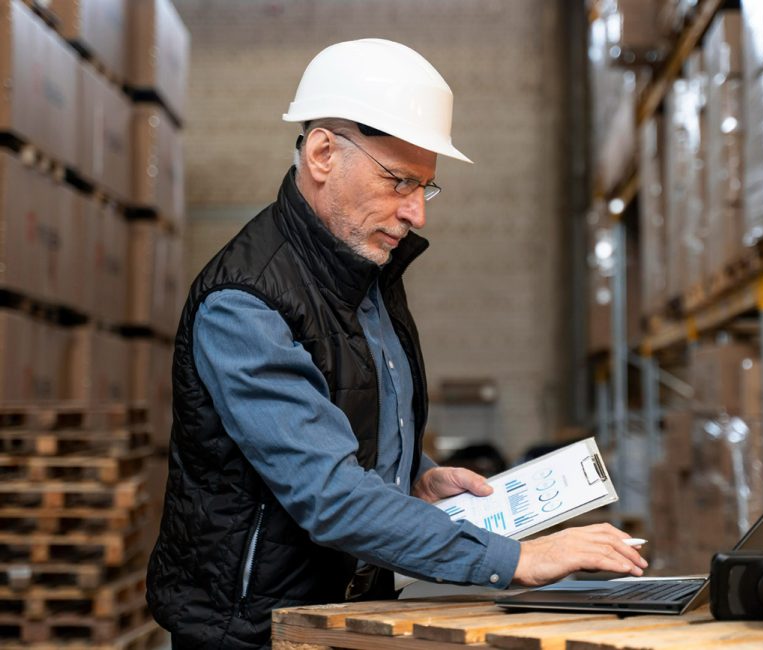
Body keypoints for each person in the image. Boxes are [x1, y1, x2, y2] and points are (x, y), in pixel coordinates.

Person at [146, 38, 647, 649]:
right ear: (324, 153)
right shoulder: (246, 303)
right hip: (253, 632)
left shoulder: (367, 269)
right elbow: (327, 493)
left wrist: (412, 473)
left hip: (344, 612)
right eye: (400, 181)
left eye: (425, 188)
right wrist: (517, 559)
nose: (417, 213)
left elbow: (345, 413)